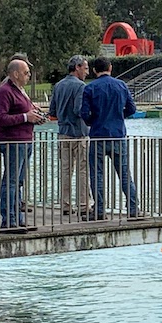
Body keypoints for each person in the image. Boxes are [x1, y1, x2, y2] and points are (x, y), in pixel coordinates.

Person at [81, 56, 139, 221]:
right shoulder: (121, 85)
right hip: (118, 135)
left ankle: (99, 210)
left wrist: (94, 121)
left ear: (94, 70)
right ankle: (133, 208)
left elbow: (84, 113)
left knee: (97, 174)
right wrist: (119, 117)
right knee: (124, 174)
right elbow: (132, 108)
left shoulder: (90, 88)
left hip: (98, 135)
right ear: (111, 67)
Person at [0, 59, 45, 234]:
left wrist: (34, 113)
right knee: (11, 181)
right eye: (26, 73)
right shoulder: (4, 92)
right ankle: (8, 220)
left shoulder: (19, 91)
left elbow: (23, 111)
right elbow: (0, 119)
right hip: (13, 142)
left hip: (24, 140)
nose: (28, 76)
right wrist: (25, 117)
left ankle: (18, 219)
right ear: (15, 74)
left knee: (18, 182)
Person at [49, 55, 93, 216]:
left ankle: (66, 205)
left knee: (66, 170)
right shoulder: (81, 86)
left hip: (63, 133)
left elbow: (52, 111)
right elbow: (79, 109)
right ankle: (83, 204)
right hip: (79, 133)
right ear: (78, 67)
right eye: (85, 68)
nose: (87, 72)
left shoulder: (58, 86)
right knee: (83, 170)